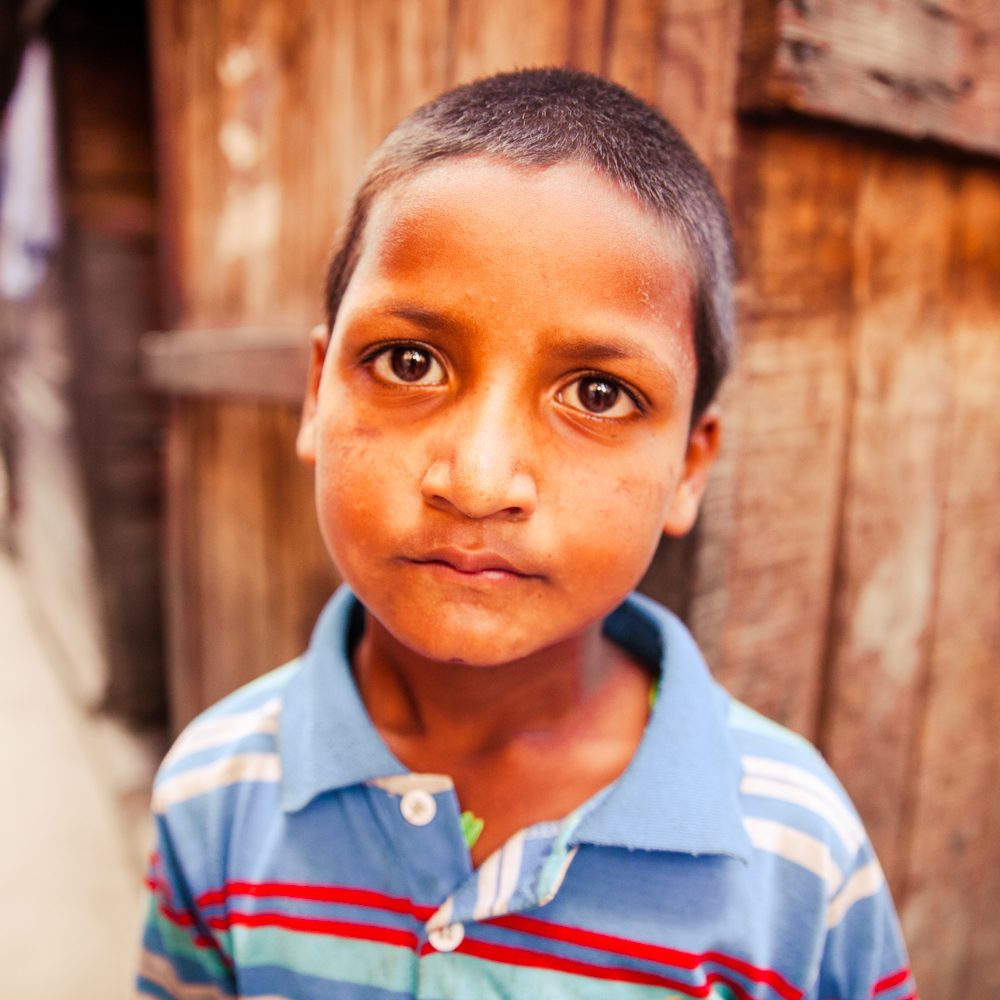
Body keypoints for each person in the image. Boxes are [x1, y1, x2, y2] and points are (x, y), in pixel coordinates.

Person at [137, 68, 916, 1000]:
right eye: (409, 361)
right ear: (317, 393)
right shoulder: (216, 793)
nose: (476, 482)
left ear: (691, 466)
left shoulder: (796, 857)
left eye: (598, 393)